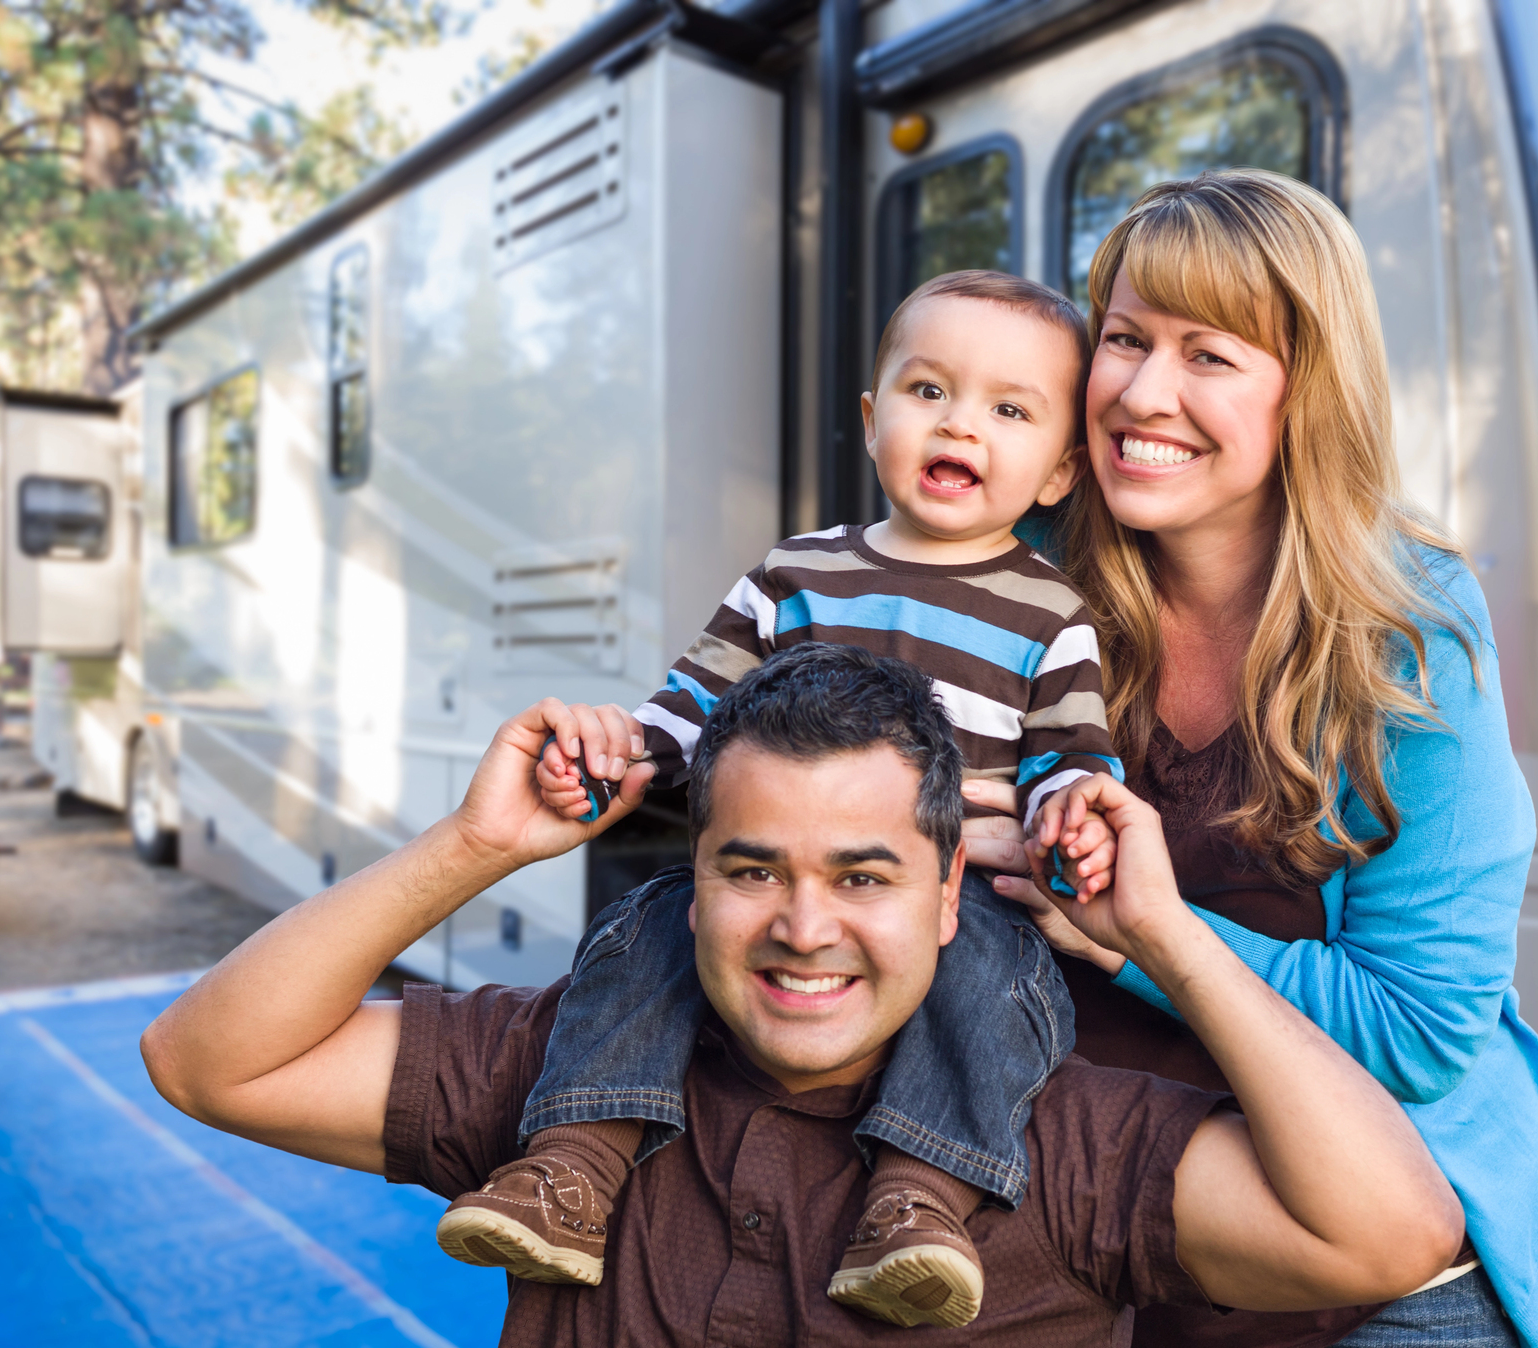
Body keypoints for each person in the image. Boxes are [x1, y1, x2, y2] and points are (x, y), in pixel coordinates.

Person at [139, 643, 1465, 1345]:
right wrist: (475, 848)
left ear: (950, 894)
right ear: (693, 881)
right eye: (753, 870)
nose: (804, 928)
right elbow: (209, 1061)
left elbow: (1390, 1236)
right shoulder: (571, 1084)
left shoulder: (1055, 1142)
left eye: (864, 876)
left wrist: (1170, 942)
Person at [442, 269, 1124, 1328]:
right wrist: (616, 753)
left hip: (954, 899)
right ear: (870, 419)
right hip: (780, 873)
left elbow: (1072, 756)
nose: (959, 425)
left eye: (1007, 409)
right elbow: (688, 705)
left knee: (995, 979)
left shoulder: (1052, 612)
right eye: (926, 390)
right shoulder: (795, 572)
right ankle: (572, 1165)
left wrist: (1071, 811)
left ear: (1057, 473)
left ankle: (918, 1199)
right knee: (647, 930)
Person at [966, 170, 1538, 1348]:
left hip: (1370, 1235)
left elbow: (1415, 1031)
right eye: (1125, 339)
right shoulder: (1010, 566)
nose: (1142, 393)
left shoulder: (1407, 628)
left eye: (1209, 357)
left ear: (1307, 393)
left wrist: (1136, 934)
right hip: (1080, 1198)